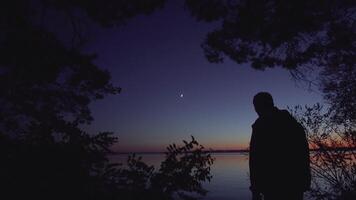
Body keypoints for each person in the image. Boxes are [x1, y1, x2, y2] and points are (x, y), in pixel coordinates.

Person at [249, 92, 311, 200]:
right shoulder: (293, 124)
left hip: (275, 185)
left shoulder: (261, 127)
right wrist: (305, 181)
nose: (256, 110)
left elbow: (255, 160)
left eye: (256, 106)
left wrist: (255, 189)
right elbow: (304, 155)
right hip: (293, 184)